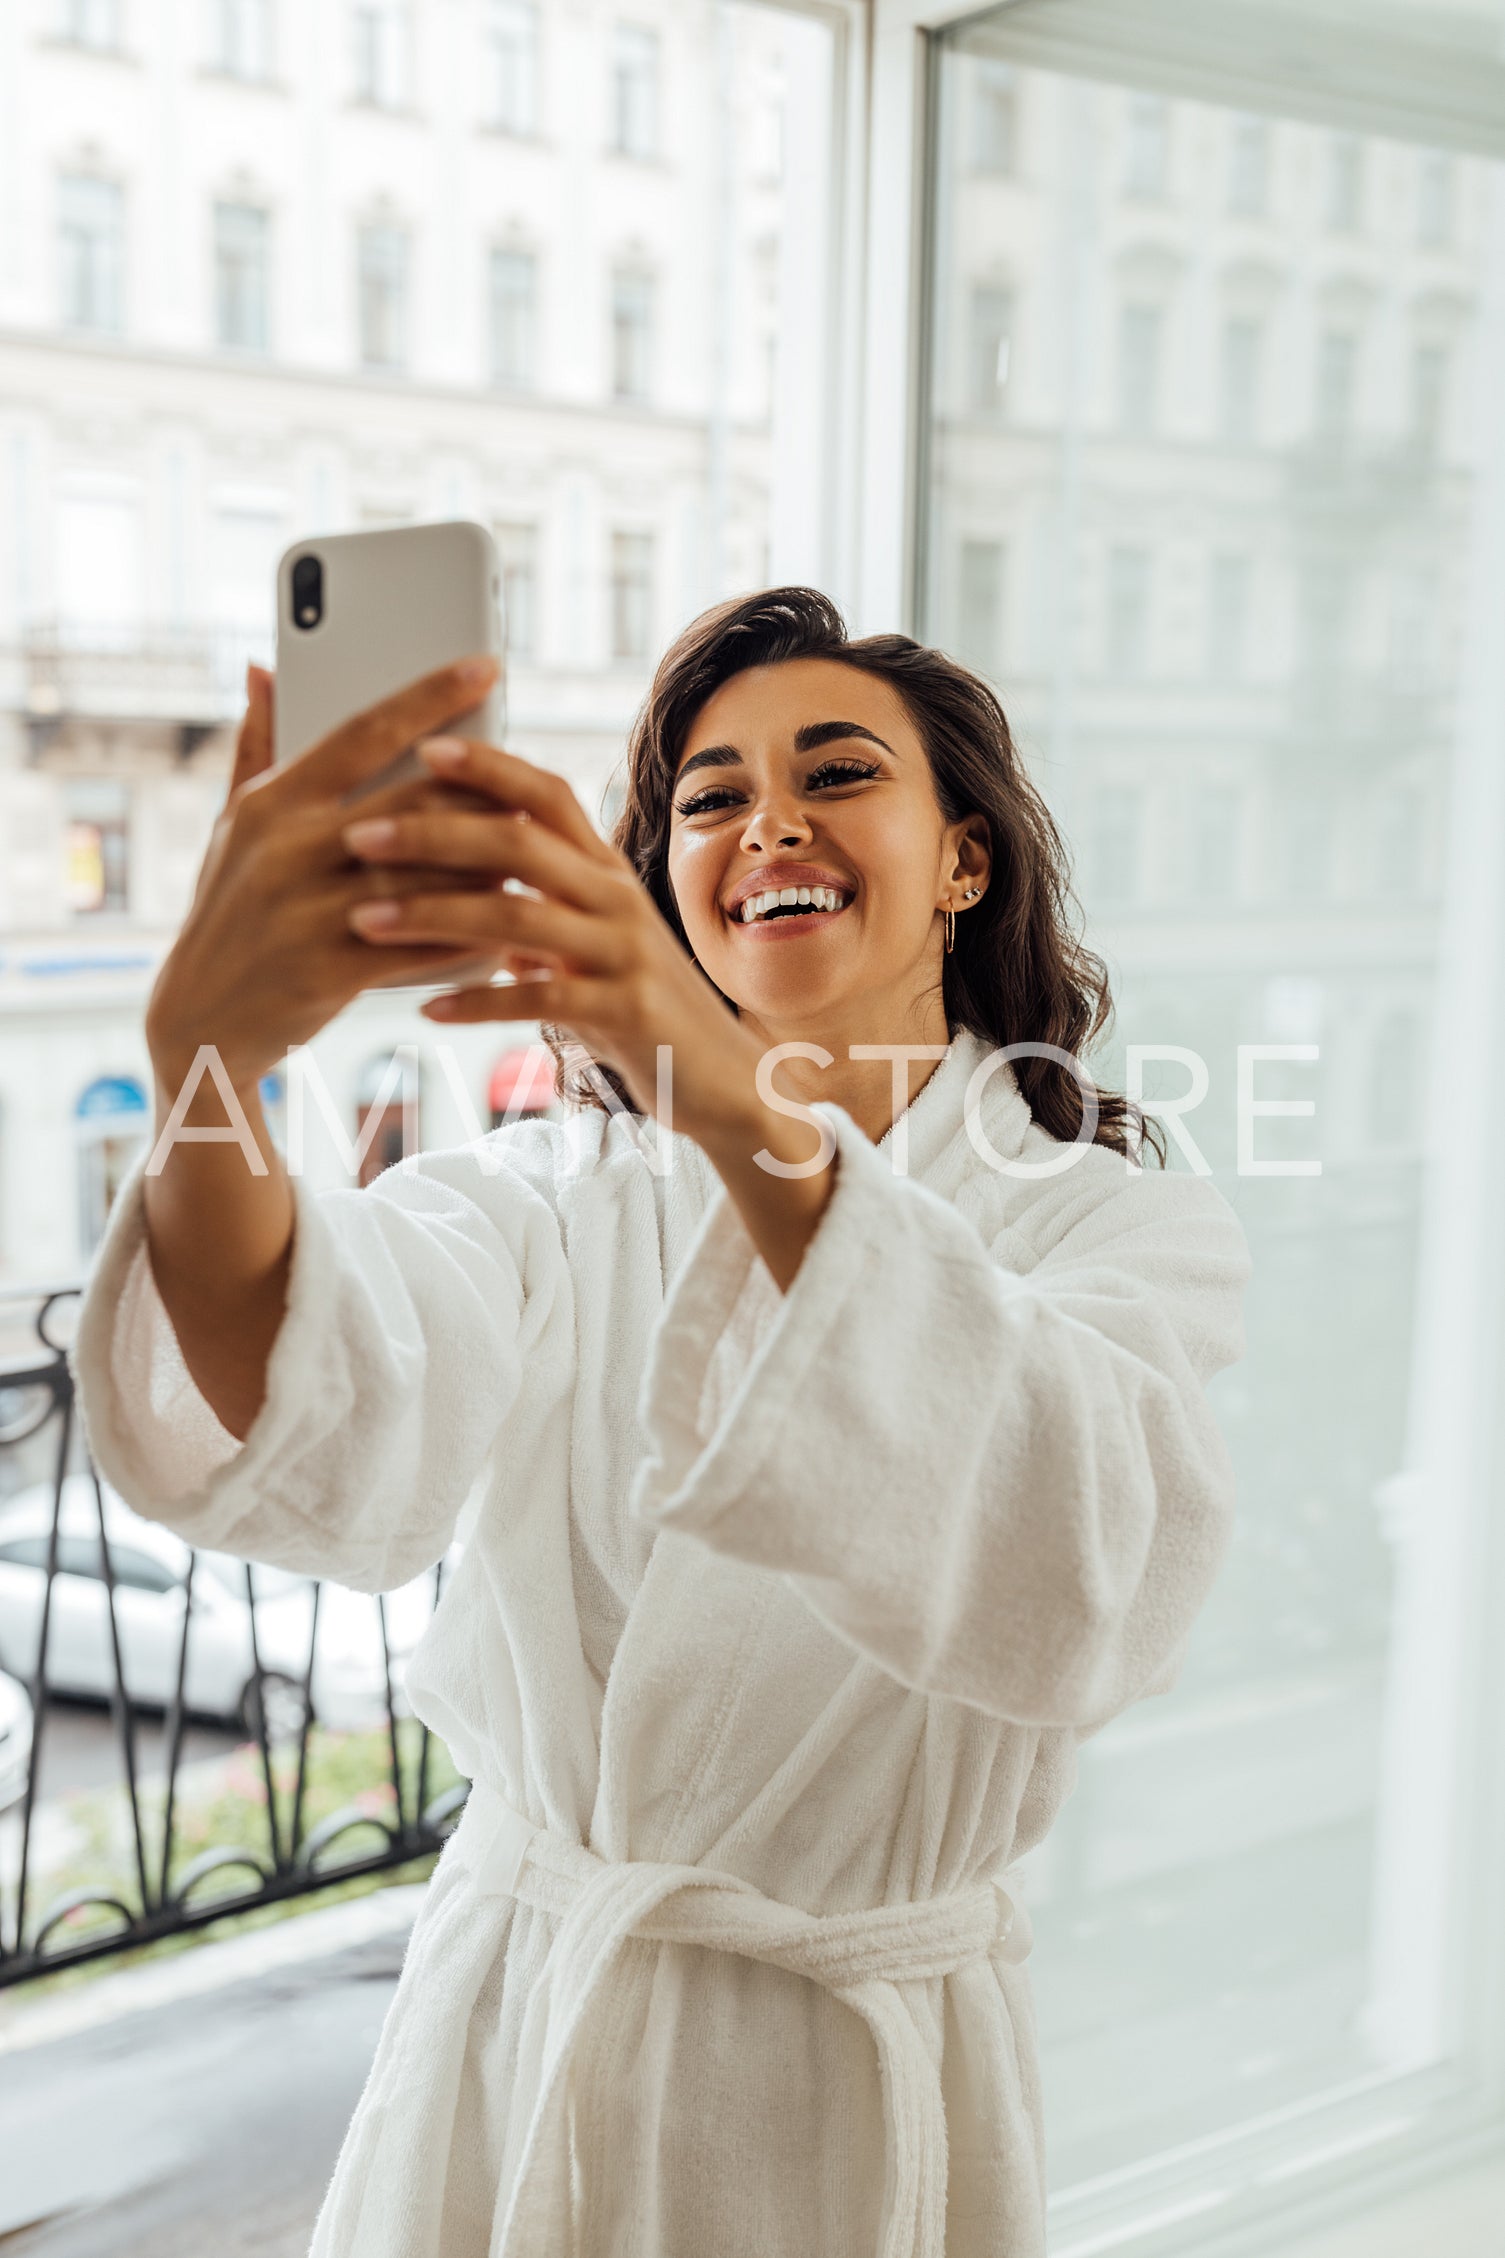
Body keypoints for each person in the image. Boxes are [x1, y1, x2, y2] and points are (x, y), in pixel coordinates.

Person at [71, 586, 1251, 2258]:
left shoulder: (1109, 1230)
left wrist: (711, 1079)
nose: (767, 817)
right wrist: (214, 1054)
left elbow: (1083, 1574)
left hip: (844, 2101)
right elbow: (302, 1383)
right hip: (514, 2048)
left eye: (836, 773)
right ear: (676, 889)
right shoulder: (567, 1192)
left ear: (963, 861)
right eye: (708, 797)